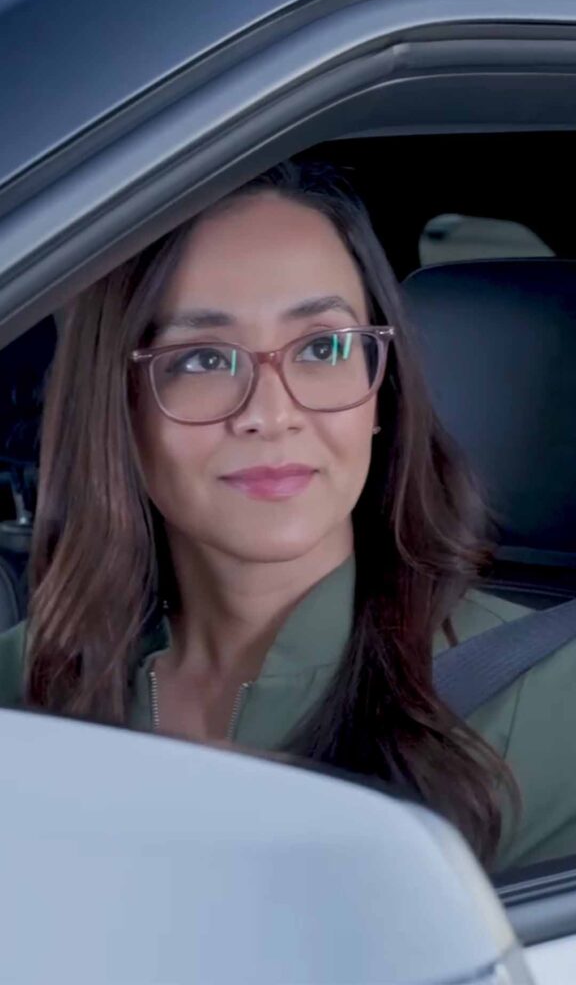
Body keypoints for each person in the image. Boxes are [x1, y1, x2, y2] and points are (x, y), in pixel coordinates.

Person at [0, 161, 574, 873]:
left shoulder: (548, 702)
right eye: (202, 359)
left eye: (323, 347)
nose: (271, 414)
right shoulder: (28, 684)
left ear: (382, 392)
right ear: (117, 406)